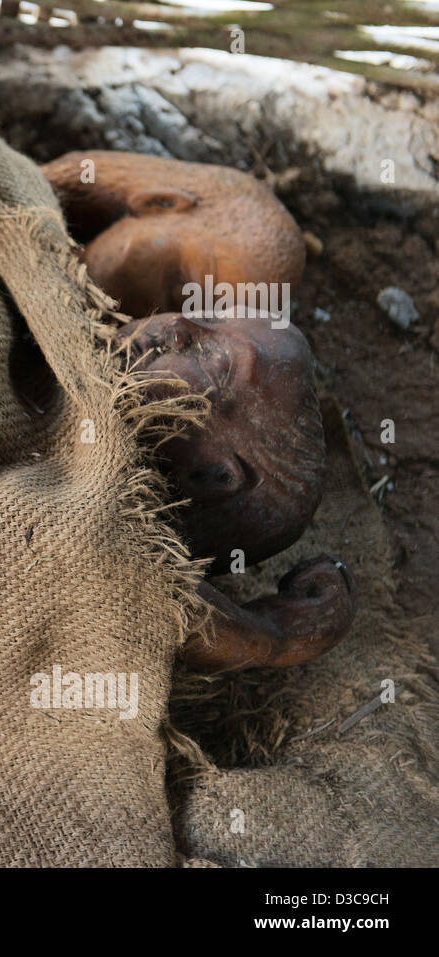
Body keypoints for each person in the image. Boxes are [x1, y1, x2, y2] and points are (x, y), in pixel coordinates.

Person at [41, 151, 356, 670]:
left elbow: (136, 585)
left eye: (213, 362)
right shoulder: (53, 309)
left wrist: (269, 635)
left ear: (215, 475)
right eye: (201, 311)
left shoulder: (71, 500)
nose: (172, 323)